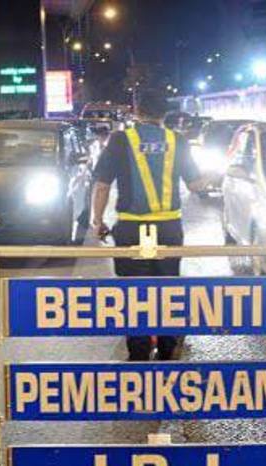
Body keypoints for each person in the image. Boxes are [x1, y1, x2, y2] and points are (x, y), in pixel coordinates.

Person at [90, 89, 202, 361]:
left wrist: (98, 221)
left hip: (130, 229)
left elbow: (102, 186)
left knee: (134, 291)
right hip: (168, 229)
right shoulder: (177, 141)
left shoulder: (120, 140)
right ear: (164, 115)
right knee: (167, 289)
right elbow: (197, 185)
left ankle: (138, 353)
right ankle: (166, 348)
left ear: (137, 112)